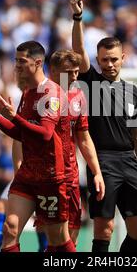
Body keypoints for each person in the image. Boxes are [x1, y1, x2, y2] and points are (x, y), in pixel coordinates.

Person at [70, 0, 137, 252]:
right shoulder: (91, 82)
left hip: (130, 162)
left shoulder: (132, 91)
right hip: (103, 161)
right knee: (104, 229)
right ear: (97, 61)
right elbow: (78, 50)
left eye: (114, 59)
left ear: (123, 58)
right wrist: (78, 16)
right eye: (104, 60)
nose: (109, 64)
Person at [0, 41, 75, 252]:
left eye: (22, 61)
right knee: (10, 228)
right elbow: (20, 133)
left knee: (57, 239)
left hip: (50, 176)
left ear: (38, 63)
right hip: (27, 174)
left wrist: (14, 117)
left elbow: (46, 134)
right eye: (15, 61)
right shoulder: (28, 93)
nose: (17, 66)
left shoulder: (51, 93)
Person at [41, 49, 105, 245]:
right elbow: (21, 138)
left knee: (72, 233)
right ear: (53, 70)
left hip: (70, 174)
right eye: (69, 72)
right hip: (43, 175)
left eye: (76, 71)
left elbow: (84, 138)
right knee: (51, 237)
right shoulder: (39, 94)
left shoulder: (78, 96)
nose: (75, 76)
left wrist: (97, 172)